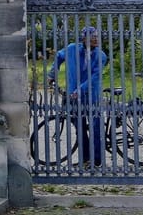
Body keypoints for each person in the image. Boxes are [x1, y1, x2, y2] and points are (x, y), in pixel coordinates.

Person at [47, 27, 110, 165]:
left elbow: (94, 77)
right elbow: (58, 56)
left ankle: (97, 160)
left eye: (97, 36)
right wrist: (52, 75)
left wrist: (79, 90)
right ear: (84, 38)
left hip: (92, 96)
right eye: (93, 36)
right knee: (79, 128)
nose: (96, 39)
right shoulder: (71, 49)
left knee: (96, 127)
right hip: (73, 97)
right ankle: (86, 158)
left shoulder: (101, 55)